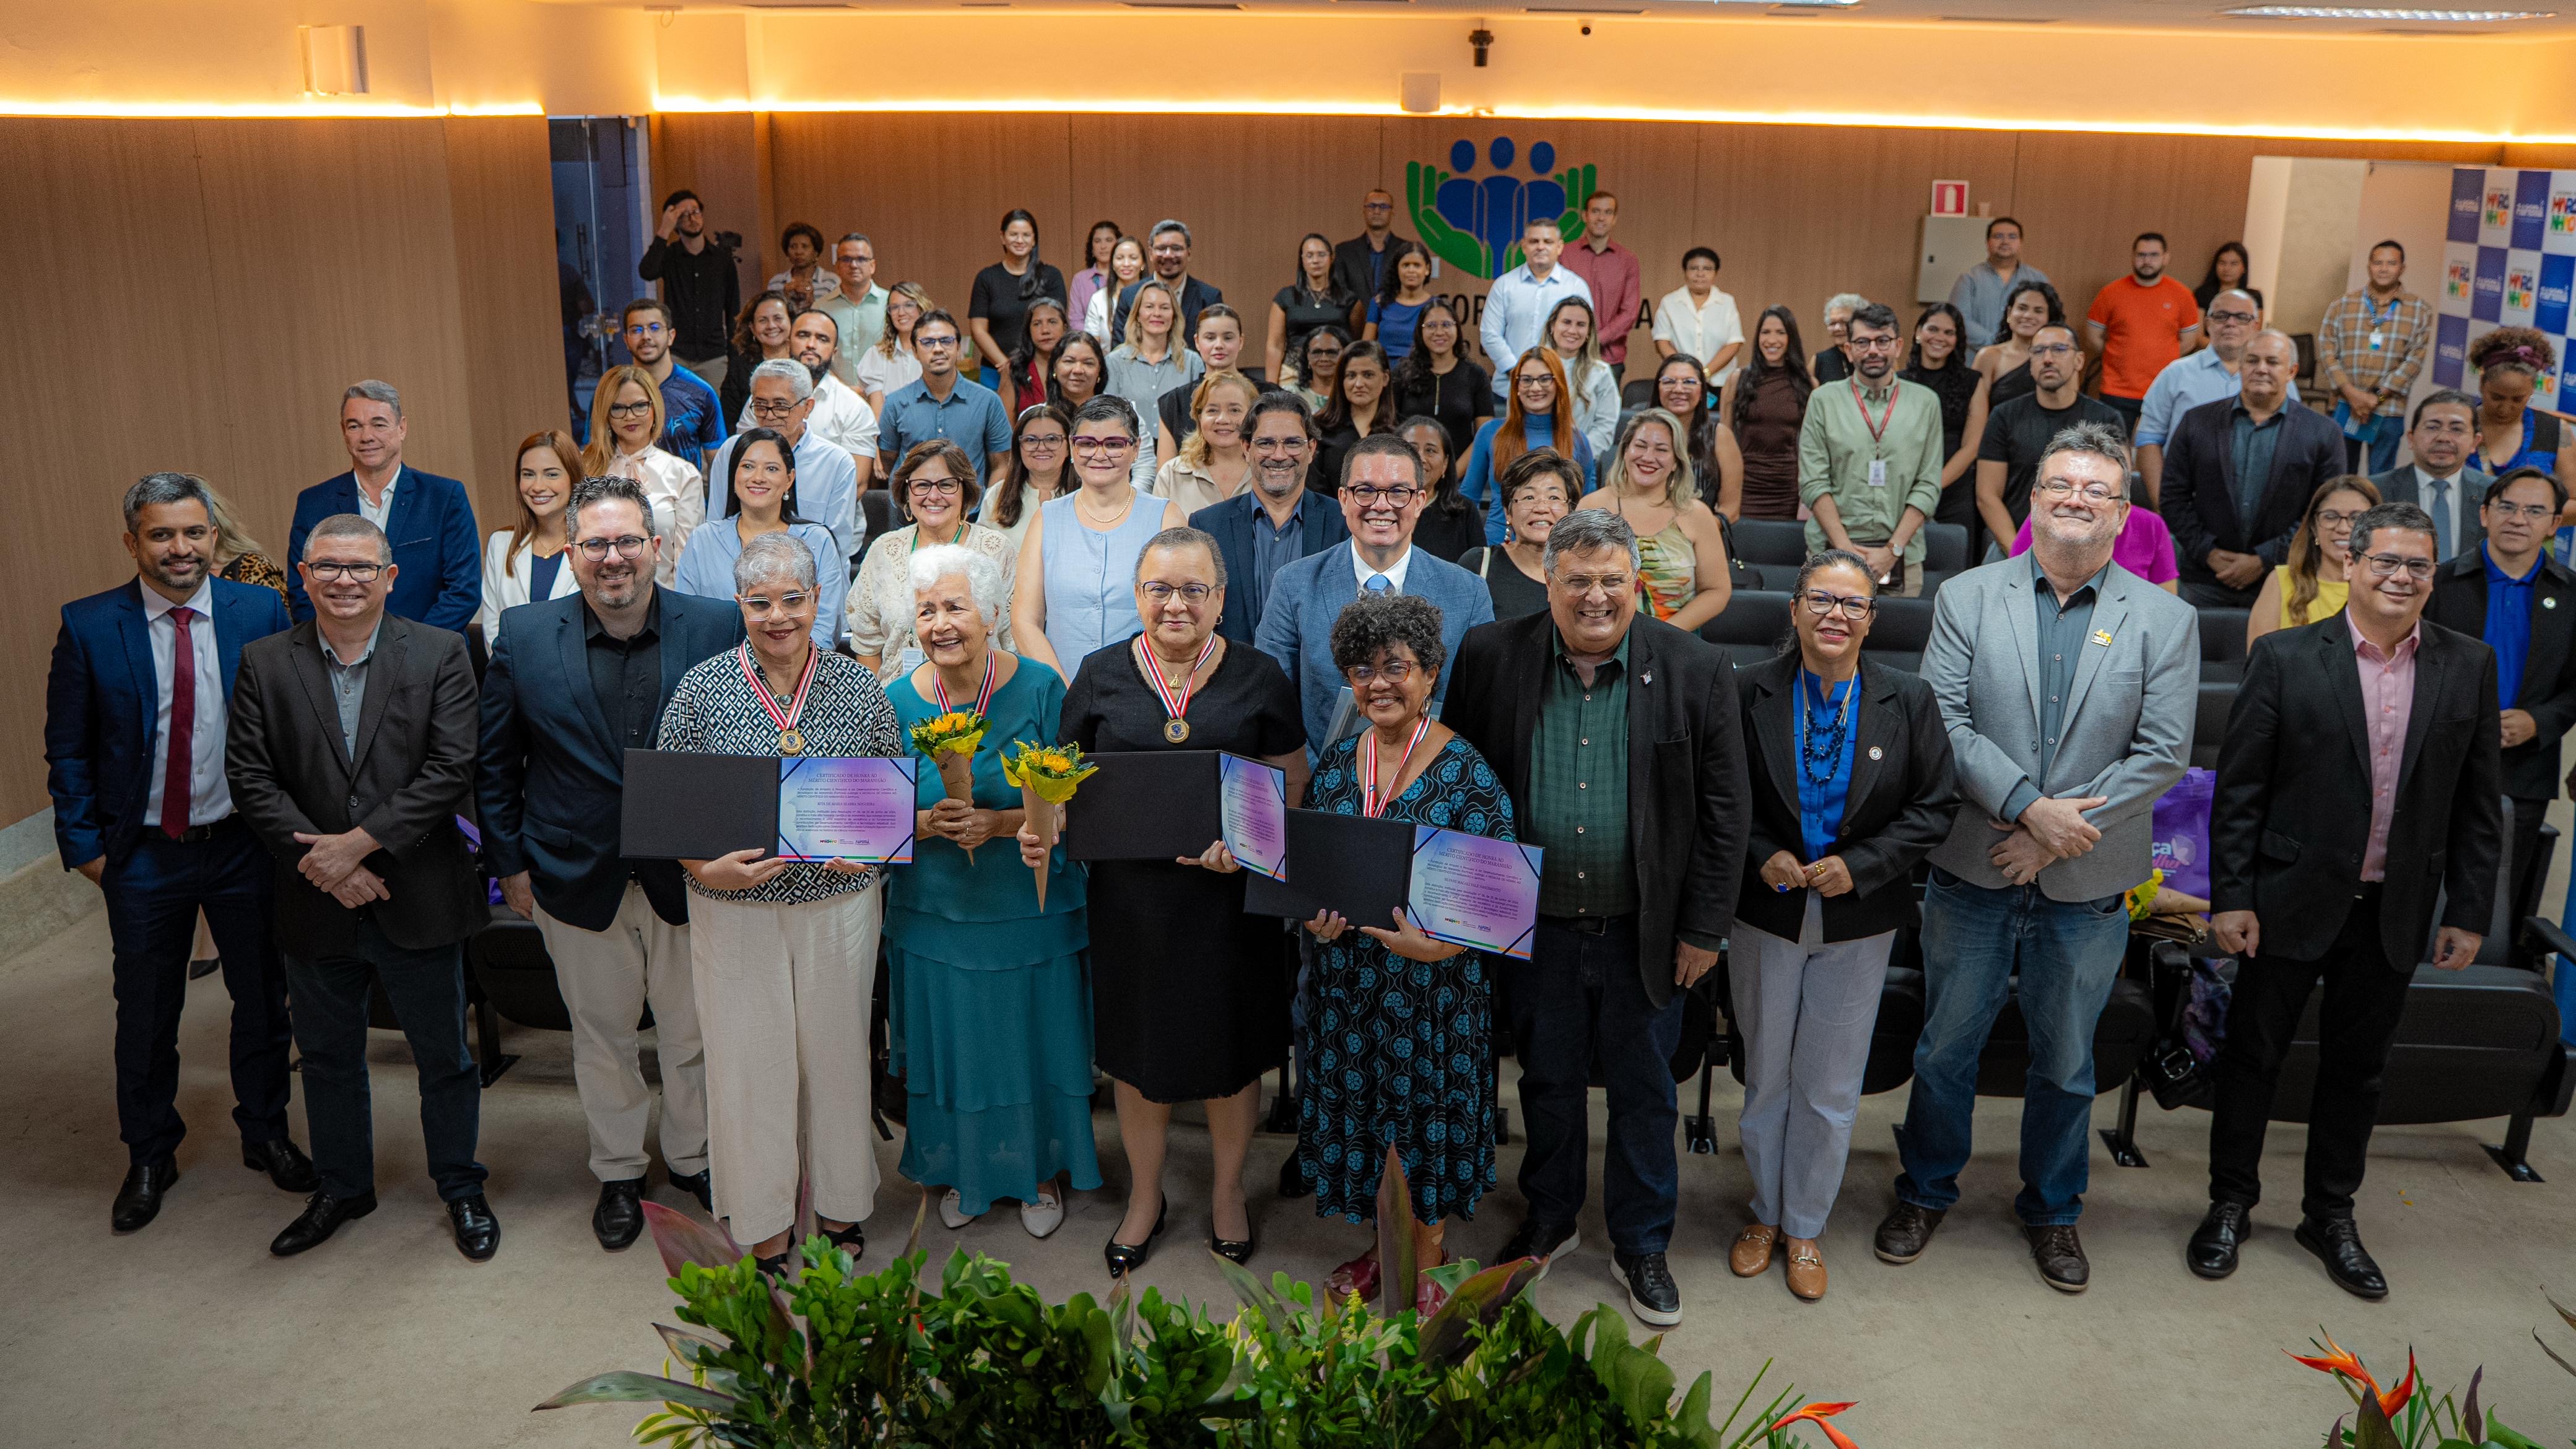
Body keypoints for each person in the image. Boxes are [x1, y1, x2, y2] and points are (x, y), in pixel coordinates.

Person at [1878, 422, 2198, 1295]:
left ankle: (2055, 1210)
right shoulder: (1968, 597)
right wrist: (2026, 808)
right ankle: (1924, 1190)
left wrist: (2056, 831)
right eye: (2061, 484)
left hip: (2089, 877)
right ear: (2034, 498)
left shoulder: (2166, 618)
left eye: (2097, 490)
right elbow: (1945, 719)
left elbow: (2164, 750)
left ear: (2123, 509)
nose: (2077, 500)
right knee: (1947, 1046)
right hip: (1976, 861)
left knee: (2066, 1057)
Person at [1444, 508, 1746, 1328]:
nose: (1596, 597)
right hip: (1529, 926)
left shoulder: (1695, 668)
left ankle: (1642, 1242)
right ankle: (1548, 1218)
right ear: (1547, 582)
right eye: (1576, 580)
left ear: (1637, 583)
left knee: (1647, 1093)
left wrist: (1704, 930)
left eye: (1613, 579)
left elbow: (1726, 816)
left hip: (1646, 932)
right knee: (1546, 1080)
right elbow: (1463, 787)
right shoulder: (1489, 657)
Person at [2193, 502, 2500, 1301]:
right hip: (2286, 898)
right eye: (2387, 562)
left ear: (2434, 576)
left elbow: (2477, 800)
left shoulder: (2469, 664)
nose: (2402, 577)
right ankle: (2230, 1202)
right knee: (2253, 1059)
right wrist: (2233, 897)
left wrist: (2468, 910)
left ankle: (2329, 1214)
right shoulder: (2288, 657)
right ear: (2351, 566)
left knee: (2358, 1072)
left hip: (2395, 907)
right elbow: (2242, 793)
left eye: (2418, 566)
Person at [476, 476, 745, 1250]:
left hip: (692, 876)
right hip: (571, 873)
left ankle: (693, 1156)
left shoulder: (717, 626)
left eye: (628, 540)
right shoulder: (525, 636)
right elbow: (495, 765)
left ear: (657, 548)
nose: (613, 558)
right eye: (594, 544)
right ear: (571, 553)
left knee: (694, 1033)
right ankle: (620, 1170)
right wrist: (512, 867)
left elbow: (739, 750)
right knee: (601, 1038)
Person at [1034, 527, 1308, 1273]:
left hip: (1229, 906)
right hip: (1131, 906)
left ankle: (1226, 1193)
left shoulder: (1258, 677)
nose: (1175, 604)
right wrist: (1047, 818)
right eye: (1160, 589)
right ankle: (1146, 1195)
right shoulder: (1096, 675)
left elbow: (1291, 782)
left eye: (1194, 589)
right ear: (1137, 596)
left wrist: (1249, 845)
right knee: (1136, 1054)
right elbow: (1061, 780)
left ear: (1220, 599)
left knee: (1232, 1051)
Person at [228, 513, 494, 1261]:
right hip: (312, 896)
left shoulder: (442, 652)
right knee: (327, 1057)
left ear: (390, 578)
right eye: (329, 567)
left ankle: (461, 1187)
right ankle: (344, 1186)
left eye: (361, 567)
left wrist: (358, 847)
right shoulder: (264, 662)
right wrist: (322, 863)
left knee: (444, 1057)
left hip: (417, 890)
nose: (345, 580)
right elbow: (250, 776)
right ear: (302, 576)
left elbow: (450, 768)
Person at [47, 473, 305, 1235]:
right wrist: (87, 851)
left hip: (242, 847)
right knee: (148, 1011)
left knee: (263, 1000)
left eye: (194, 533)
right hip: (143, 855)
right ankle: (150, 1152)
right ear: (134, 543)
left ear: (214, 537)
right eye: (162, 535)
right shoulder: (91, 625)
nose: (180, 548)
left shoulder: (258, 610)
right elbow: (68, 749)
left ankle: (266, 1132)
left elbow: (288, 728)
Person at [657, 531, 902, 1275]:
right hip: (731, 907)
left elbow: (888, 803)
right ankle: (764, 1222)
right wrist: (704, 866)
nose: (777, 617)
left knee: (836, 1060)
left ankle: (839, 1210)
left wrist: (863, 847)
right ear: (740, 604)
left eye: (792, 600)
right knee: (746, 1064)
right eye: (760, 602)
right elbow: (667, 807)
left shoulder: (858, 687)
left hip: (839, 904)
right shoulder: (702, 688)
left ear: (817, 600)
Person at [1730, 549, 1959, 1302]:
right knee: (1765, 1074)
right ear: (1792, 609)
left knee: (1828, 1086)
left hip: (1860, 916)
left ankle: (1803, 1226)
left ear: (1871, 619)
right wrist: (1762, 855)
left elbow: (1933, 807)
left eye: (1851, 604)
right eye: (1820, 600)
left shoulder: (1908, 700)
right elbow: (1719, 795)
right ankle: (1762, 1213)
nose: (1834, 615)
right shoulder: (1745, 692)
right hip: (1767, 910)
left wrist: (1862, 865)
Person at [1297, 590, 1517, 1311]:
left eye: (1396, 667)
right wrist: (1315, 921)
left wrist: (1439, 950)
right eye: (1362, 669)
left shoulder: (1469, 776)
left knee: (1423, 1128)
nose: (1378, 684)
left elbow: (1499, 908)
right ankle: (1383, 1249)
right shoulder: (1336, 765)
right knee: (1369, 1125)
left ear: (1429, 674)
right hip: (1350, 990)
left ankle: (1427, 1260)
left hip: (1431, 1000)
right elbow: (1311, 874)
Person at [886, 544, 1099, 1235]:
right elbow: (868, 811)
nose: (940, 623)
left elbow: (1068, 802)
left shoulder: (1040, 687)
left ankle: (1037, 1172)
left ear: (989, 614)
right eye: (926, 610)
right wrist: (925, 820)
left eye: (955, 606)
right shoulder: (891, 700)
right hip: (935, 912)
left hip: (1029, 906)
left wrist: (1004, 821)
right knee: (957, 1044)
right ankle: (963, 1169)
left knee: (1028, 1041)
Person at [1258, 435, 1495, 752]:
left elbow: (1479, 709)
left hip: (1431, 786)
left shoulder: (1468, 593)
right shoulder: (1292, 584)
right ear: (1343, 499)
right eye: (1365, 491)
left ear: (1419, 501)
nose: (1381, 504)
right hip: (1319, 789)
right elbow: (1273, 702)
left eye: (1398, 492)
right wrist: (1322, 780)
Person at [2427, 466, 2576, 905]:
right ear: (2485, 514)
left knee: (2496, 900)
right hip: (2439, 755)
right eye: (2507, 507)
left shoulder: (2571, 596)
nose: (2518, 519)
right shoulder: (2438, 582)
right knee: (2422, 886)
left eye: (2534, 511)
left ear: (2554, 524)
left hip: (2525, 766)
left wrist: (2539, 721)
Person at [2159, 330, 2345, 607]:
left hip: (2286, 578)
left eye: (2272, 362)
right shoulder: (2196, 422)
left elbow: (2325, 511)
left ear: (2292, 371)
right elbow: (2173, 497)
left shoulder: (2324, 433)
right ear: (2240, 367)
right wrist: (2208, 552)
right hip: (2202, 577)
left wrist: (2266, 559)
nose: (2261, 369)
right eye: (2252, 360)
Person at [1011, 396, 1188, 679]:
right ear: (1072, 447)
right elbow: (1024, 621)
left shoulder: (1165, 517)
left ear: (1136, 448)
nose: (1099, 454)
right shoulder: (1047, 518)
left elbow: (1178, 615)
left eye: (1114, 444)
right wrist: (1064, 693)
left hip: (1146, 689)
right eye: (1087, 443)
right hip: (1061, 691)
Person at [286, 381, 480, 632]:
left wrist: (411, 650)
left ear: (402, 428)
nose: (367, 437)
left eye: (379, 424)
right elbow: (302, 593)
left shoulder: (444, 497)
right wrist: (349, 648)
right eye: (355, 426)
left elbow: (464, 591)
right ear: (343, 431)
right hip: (341, 658)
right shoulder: (313, 503)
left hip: (430, 657)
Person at [1798, 303, 1944, 596]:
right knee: (1828, 637)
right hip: (1831, 551)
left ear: (1898, 346)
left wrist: (1892, 550)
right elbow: (1813, 482)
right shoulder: (1823, 400)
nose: (1873, 350)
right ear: (1849, 349)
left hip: (1901, 556)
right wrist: (1845, 549)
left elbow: (1928, 485)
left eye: (1883, 341)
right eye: (1863, 342)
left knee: (1895, 640)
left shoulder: (1925, 403)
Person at [850, 440, 1019, 681]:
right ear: (907, 493)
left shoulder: (996, 550)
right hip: (899, 701)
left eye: (947, 485)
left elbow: (1011, 640)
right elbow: (867, 642)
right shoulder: (884, 551)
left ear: (966, 491)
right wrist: (881, 703)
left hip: (981, 701)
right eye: (922, 485)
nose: (934, 496)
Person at [1193, 393, 1349, 645]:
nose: (1279, 455)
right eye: (1266, 443)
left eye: (1292, 443)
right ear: (1246, 448)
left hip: (1313, 681)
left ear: (1311, 449)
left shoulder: (1343, 523)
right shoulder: (1208, 526)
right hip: (1236, 679)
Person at [674, 428, 848, 651]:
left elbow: (825, 627)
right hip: (719, 674)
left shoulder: (818, 540)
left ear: (789, 479)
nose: (758, 477)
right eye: (747, 467)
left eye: (772, 469)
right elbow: (688, 620)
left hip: (800, 674)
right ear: (733, 475)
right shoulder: (703, 540)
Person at [1973, 324, 2123, 557]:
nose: (2048, 359)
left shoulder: (2107, 420)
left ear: (2079, 360)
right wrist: (2020, 553)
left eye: (2059, 349)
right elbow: (1987, 495)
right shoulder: (2005, 416)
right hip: (2013, 547)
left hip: (2084, 551)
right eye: (2039, 351)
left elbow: (2116, 495)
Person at [1578, 409, 1733, 629]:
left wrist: (1663, 636)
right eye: (1640, 446)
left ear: (1677, 461)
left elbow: (1717, 590)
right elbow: (1573, 578)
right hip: (1601, 638)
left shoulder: (1697, 515)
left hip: (1674, 642)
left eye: (1662, 450)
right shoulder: (1591, 507)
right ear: (1624, 451)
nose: (1648, 457)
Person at [2134, 289, 2294, 505]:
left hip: (2256, 504)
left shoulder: (2276, 379)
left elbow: (2293, 443)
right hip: (2187, 501)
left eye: (2242, 317)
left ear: (2256, 326)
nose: (2230, 323)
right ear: (2208, 324)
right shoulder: (2176, 374)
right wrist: (2163, 505)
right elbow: (2148, 440)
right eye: (2221, 316)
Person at [708, 360, 864, 569]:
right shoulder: (731, 452)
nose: (770, 416)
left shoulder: (836, 462)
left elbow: (835, 549)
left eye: (781, 407)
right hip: (735, 575)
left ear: (808, 407)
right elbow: (716, 528)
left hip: (809, 582)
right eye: (761, 405)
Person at [584, 364, 711, 585]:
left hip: (664, 603)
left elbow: (686, 562)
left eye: (640, 406)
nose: (630, 416)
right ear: (606, 414)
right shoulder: (585, 469)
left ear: (655, 408)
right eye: (618, 408)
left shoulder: (683, 474)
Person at [2316, 242, 2434, 475]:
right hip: (2343, 405)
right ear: (2369, 266)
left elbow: (2414, 361)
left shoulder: (2420, 310)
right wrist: (2352, 394)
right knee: (2340, 474)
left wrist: (2375, 397)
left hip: (2388, 410)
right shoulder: (2342, 305)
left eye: (2391, 263)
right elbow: (2327, 352)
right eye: (2378, 263)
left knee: (2380, 478)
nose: (2384, 269)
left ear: (2402, 268)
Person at [1464, 350, 1599, 545]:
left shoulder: (1578, 440)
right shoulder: (1491, 433)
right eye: (1526, 380)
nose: (1535, 387)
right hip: (1498, 548)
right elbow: (1468, 499)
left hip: (1557, 553)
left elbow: (1587, 507)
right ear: (1516, 387)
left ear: (1558, 383)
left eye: (1545, 379)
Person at [877, 310, 1015, 490]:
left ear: (958, 347)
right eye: (927, 342)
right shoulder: (895, 403)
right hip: (909, 513)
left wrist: (988, 512)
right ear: (915, 352)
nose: (938, 349)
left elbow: (1002, 464)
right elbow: (888, 460)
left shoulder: (988, 401)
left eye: (946, 341)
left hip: (971, 515)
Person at [2085, 233, 2203, 433]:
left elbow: (2190, 341)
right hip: (2116, 391)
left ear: (2166, 258)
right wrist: (2119, 354)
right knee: (2113, 452)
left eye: (2154, 255)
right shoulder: (2110, 293)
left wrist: (2163, 357)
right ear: (2133, 257)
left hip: (2163, 390)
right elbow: (2093, 336)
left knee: (2155, 454)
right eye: (2141, 255)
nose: (2147, 261)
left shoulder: (2182, 295)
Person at [753, 308, 882, 486]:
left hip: (831, 511)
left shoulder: (854, 408)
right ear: (789, 343)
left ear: (834, 353)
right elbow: (745, 455)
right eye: (803, 335)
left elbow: (856, 484)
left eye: (822, 339)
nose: (811, 345)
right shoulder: (763, 397)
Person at [2248, 477, 2380, 646]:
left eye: (2356, 518)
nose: (2343, 528)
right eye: (2331, 517)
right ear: (2314, 527)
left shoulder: (2384, 586)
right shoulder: (2281, 581)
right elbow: (2260, 664)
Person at [476, 430, 582, 642]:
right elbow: (493, 630)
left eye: (552, 474)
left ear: (574, 479)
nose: (537, 487)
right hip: (513, 673)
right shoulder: (501, 544)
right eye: (528, 474)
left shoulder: (595, 546)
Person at [2370, 389, 2494, 562]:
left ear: (2475, 442)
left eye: (2457, 429)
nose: (2443, 438)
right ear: (2411, 439)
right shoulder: (2376, 491)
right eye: (2433, 427)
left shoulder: (2492, 494)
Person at [1903, 302, 1993, 536]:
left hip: (1955, 491)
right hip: (1904, 488)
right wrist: (1917, 489)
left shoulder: (1973, 381)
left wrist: (1932, 487)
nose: (1940, 337)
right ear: (1918, 333)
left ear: (1957, 340)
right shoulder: (1897, 382)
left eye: (1948, 332)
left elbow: (1972, 446)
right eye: (1933, 329)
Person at [1458, 450, 1580, 621]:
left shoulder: (1584, 572)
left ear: (1570, 510)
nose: (1541, 507)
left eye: (1554, 497)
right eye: (1529, 497)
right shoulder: (1478, 565)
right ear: (1508, 512)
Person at [638, 189, 741, 390]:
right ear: (675, 222)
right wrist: (664, 231)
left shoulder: (722, 260)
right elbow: (647, 272)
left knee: (714, 414)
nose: (692, 218)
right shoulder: (669, 256)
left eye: (695, 212)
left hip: (714, 355)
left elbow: (733, 310)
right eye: (683, 215)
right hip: (677, 352)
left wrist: (734, 355)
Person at [1481, 215, 1593, 399]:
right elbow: (1490, 334)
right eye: (1534, 241)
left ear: (1559, 247)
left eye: (1548, 242)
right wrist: (1519, 373)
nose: (1541, 247)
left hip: (1560, 389)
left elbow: (1583, 336)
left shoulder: (1576, 287)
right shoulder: (1504, 285)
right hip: (1509, 389)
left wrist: (1549, 378)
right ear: (1524, 246)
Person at [1722, 307, 1814, 523]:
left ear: (1791, 338)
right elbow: (1723, 440)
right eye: (1766, 332)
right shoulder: (1737, 380)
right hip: (1744, 483)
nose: (1772, 340)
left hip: (1787, 487)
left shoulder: (1808, 386)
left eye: (1780, 332)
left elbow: (1812, 447)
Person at [968, 209, 1069, 389]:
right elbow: (978, 330)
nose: (1020, 240)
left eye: (1026, 235)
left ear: (1034, 239)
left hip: (1044, 369)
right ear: (1003, 237)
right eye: (1014, 234)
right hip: (996, 370)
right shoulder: (987, 278)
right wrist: (1006, 366)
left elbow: (1057, 325)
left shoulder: (1051, 276)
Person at [621, 299, 728, 468]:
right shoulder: (612, 394)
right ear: (626, 340)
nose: (646, 336)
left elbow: (718, 462)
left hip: (686, 493)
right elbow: (594, 453)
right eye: (636, 330)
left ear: (671, 336)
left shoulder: (700, 392)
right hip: (626, 493)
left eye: (655, 328)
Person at [1155, 304, 1269, 460]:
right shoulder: (1173, 402)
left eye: (1228, 338)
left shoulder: (1269, 396)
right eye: (1210, 338)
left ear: (1241, 341)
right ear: (1197, 342)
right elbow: (1165, 473)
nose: (1219, 345)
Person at [1390, 301, 1492, 468]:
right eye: (1431, 325)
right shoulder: (1403, 373)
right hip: (1408, 472)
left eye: (1446, 325)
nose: (1439, 332)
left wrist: (1453, 475)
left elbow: (1484, 436)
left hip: (1460, 476)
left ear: (1457, 329)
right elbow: (1390, 427)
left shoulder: (1475, 375)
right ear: (1420, 331)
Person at [2466, 329, 2570, 494]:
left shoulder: (2555, 430)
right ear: (2481, 384)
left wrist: (2531, 511)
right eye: (2497, 397)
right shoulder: (2460, 424)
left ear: (2532, 390)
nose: (2505, 408)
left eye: (2518, 399)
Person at [1154, 370, 1262, 516]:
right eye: (1213, 410)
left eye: (1235, 410)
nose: (1223, 419)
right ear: (1199, 417)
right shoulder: (1171, 476)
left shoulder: (1266, 471)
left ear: (1251, 418)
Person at [1560, 191, 1642, 381]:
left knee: (1606, 412)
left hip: (1609, 358)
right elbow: (1555, 304)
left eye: (1607, 212)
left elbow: (1629, 313)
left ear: (1614, 219)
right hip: (1567, 354)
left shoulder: (1628, 260)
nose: (1601, 218)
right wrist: (1578, 338)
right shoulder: (1564, 254)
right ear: (1585, 216)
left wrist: (1596, 339)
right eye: (1595, 211)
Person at [1653, 354, 1742, 518]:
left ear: (1702, 392)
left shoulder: (1720, 436)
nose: (1678, 389)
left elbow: (1731, 510)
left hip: (1702, 537)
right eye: (1669, 381)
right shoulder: (1642, 435)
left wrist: (1696, 533)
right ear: (1658, 389)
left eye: (1689, 382)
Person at [1112, 220, 1224, 346]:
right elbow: (1119, 349)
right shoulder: (1129, 296)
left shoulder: (1209, 297)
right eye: (1161, 248)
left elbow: (1215, 347)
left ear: (1189, 253)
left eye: (1176, 248)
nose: (1168, 255)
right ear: (1150, 254)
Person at [1107, 282, 1204, 426]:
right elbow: (1109, 416)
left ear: (1174, 316)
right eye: (1149, 307)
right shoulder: (1115, 361)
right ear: (1138, 315)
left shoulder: (1193, 362)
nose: (1157, 313)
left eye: (1165, 308)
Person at [981, 401, 1072, 556]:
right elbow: (982, 558)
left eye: (1052, 439)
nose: (1042, 447)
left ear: (1069, 447)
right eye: (1031, 440)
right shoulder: (997, 495)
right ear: (1019, 447)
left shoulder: (1086, 495)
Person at [1946, 217, 2050, 351]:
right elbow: (1959, 319)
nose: (2005, 241)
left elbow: (2049, 318)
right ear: (1987, 242)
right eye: (1998, 236)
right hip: (1975, 361)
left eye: (2012, 237)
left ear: (2021, 242)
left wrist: (2018, 346)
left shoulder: (2038, 279)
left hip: (2025, 359)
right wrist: (1998, 344)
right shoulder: (1968, 279)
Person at [1270, 233, 1362, 383]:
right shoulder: (1286, 297)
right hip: (1293, 373)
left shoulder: (1349, 300)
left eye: (1321, 255)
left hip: (1337, 375)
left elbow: (1355, 342)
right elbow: (1275, 346)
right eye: (1309, 255)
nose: (1316, 261)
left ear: (1331, 258)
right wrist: (1271, 387)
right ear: (1302, 260)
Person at [1313, 341, 1398, 497]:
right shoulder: (1319, 429)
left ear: (1385, 378)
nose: (1359, 384)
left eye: (1368, 375)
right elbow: (1314, 490)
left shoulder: (1401, 431)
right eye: (1351, 376)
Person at [1541, 296, 1621, 457]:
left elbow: (1605, 428)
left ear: (1589, 332)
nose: (1572, 331)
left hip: (1581, 462)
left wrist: (1573, 455)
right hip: (1533, 459)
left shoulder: (1601, 372)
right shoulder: (1531, 367)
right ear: (1552, 326)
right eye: (1566, 322)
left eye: (1581, 325)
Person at [1973, 279, 2064, 414]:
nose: (2028, 316)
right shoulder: (1988, 356)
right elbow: (1975, 413)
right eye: (2022, 308)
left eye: (2038, 311)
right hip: (1997, 434)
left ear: (2049, 318)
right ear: (2010, 313)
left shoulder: (2061, 358)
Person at [1400, 415, 1483, 563]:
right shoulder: (1377, 506)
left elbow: (1477, 574)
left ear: (1445, 464)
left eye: (1430, 451)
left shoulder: (1464, 512)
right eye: (1412, 449)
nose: (1421, 458)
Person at [818, 233, 890, 387]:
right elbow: (817, 358)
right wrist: (844, 390)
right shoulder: (821, 308)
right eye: (846, 259)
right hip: (836, 396)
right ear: (837, 266)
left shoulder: (892, 305)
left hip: (885, 395)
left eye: (861, 259)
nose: (854, 265)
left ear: (873, 266)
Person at [203, 482, 289, 601]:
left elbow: (273, 617)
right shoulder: (173, 577)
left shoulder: (255, 569)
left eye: (193, 532)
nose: (180, 546)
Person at [858, 282, 932, 417]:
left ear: (921, 308)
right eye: (894, 307)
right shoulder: (877, 355)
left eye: (909, 305)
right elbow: (878, 412)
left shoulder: (934, 351)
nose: (901, 313)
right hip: (891, 429)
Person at [722, 290, 794, 425]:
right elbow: (729, 419)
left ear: (791, 321)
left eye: (778, 318)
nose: (771, 326)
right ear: (753, 328)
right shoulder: (740, 367)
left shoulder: (804, 361)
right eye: (763, 321)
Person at [1331, 188, 1401, 316]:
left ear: (1393, 212)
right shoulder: (1345, 251)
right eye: (1371, 206)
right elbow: (1338, 292)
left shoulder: (1405, 250)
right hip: (1354, 326)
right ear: (1364, 211)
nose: (1377, 211)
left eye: (1384, 206)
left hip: (1395, 323)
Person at [1364, 240, 1435, 363]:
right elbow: (1366, 347)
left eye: (1417, 265)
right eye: (1406, 265)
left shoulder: (1436, 306)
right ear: (1397, 269)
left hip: (1423, 372)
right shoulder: (1379, 302)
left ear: (1427, 269)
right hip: (1385, 373)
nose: (1411, 270)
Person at [1004, 299, 1071, 416]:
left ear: (1065, 328)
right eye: (1037, 324)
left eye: (1052, 322)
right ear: (1029, 330)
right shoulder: (1014, 368)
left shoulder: (1076, 367)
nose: (1045, 330)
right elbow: (1006, 426)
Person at [1082, 235, 1147, 346]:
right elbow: (1091, 345)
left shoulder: (1153, 296)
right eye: (1120, 258)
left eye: (1133, 258)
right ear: (1112, 264)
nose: (1126, 264)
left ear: (1143, 263)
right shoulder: (1099, 299)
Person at [765, 221, 839, 313]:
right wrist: (785, 299)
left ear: (816, 252)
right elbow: (771, 315)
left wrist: (813, 302)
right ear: (787, 252)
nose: (799, 252)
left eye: (805, 247)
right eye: (793, 247)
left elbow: (838, 316)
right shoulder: (776, 282)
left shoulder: (831, 281)